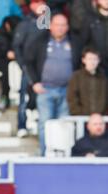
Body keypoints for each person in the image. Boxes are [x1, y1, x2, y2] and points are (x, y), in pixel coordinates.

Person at [25, 14, 81, 156]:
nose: (60, 28)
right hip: (46, 90)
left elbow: (79, 65)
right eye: (57, 24)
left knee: (65, 124)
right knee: (45, 124)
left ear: (67, 27)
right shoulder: (40, 41)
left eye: (63, 25)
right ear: (50, 26)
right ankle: (45, 155)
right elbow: (28, 62)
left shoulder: (74, 42)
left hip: (67, 90)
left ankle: (63, 155)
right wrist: (35, 82)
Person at [13, 0, 49, 138]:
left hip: (44, 67)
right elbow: (17, 46)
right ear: (32, 5)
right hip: (28, 67)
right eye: (38, 2)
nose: (41, 5)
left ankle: (35, 124)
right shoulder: (25, 24)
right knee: (25, 97)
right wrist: (23, 64)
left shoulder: (48, 22)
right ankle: (21, 125)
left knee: (39, 98)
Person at [67, 48, 108, 116]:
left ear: (99, 61)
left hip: (98, 118)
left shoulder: (103, 78)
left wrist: (100, 114)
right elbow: (72, 98)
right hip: (80, 118)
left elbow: (106, 98)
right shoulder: (77, 76)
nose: (92, 62)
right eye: (89, 59)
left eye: (95, 59)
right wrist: (79, 113)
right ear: (83, 60)